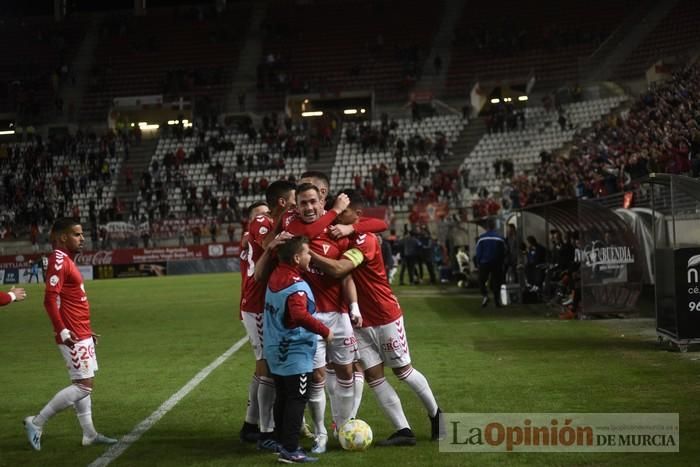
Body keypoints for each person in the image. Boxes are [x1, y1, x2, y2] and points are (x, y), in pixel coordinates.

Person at [308, 189, 446, 446]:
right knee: (374, 376)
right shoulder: (341, 237)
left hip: (385, 315)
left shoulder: (366, 241)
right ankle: (403, 430)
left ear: (357, 215)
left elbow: (343, 268)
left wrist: (311, 253)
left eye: (343, 213)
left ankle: (437, 415)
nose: (336, 218)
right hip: (359, 321)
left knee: (403, 371)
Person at [23, 217, 117, 451]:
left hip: (80, 331)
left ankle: (90, 434)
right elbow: (49, 299)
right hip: (71, 334)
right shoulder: (57, 259)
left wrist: (86, 330)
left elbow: (70, 300)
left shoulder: (67, 260)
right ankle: (36, 422)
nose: (82, 238)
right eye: (77, 234)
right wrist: (63, 330)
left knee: (81, 382)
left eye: (82, 234)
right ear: (63, 237)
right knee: (84, 385)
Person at [264, 236, 333, 464]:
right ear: (296, 258)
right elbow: (299, 315)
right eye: (307, 253)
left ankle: (281, 444)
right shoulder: (296, 285)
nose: (309, 256)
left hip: (274, 348)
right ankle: (291, 449)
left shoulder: (275, 274)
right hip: (294, 351)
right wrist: (325, 331)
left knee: (282, 396)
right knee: (297, 398)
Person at [238, 200, 276, 446]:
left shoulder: (250, 241)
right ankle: (265, 430)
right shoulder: (253, 238)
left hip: (260, 305)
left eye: (267, 214)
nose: (265, 219)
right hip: (257, 306)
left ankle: (251, 425)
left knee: (263, 366)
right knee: (267, 367)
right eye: (259, 216)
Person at [474, 219, 506, 307]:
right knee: (496, 282)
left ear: (486, 227)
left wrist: (478, 263)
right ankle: (497, 300)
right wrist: (502, 261)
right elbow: (504, 251)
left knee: (481, 280)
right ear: (494, 227)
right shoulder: (500, 238)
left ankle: (485, 296)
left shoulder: (482, 238)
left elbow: (478, 252)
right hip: (497, 263)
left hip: (484, 262)